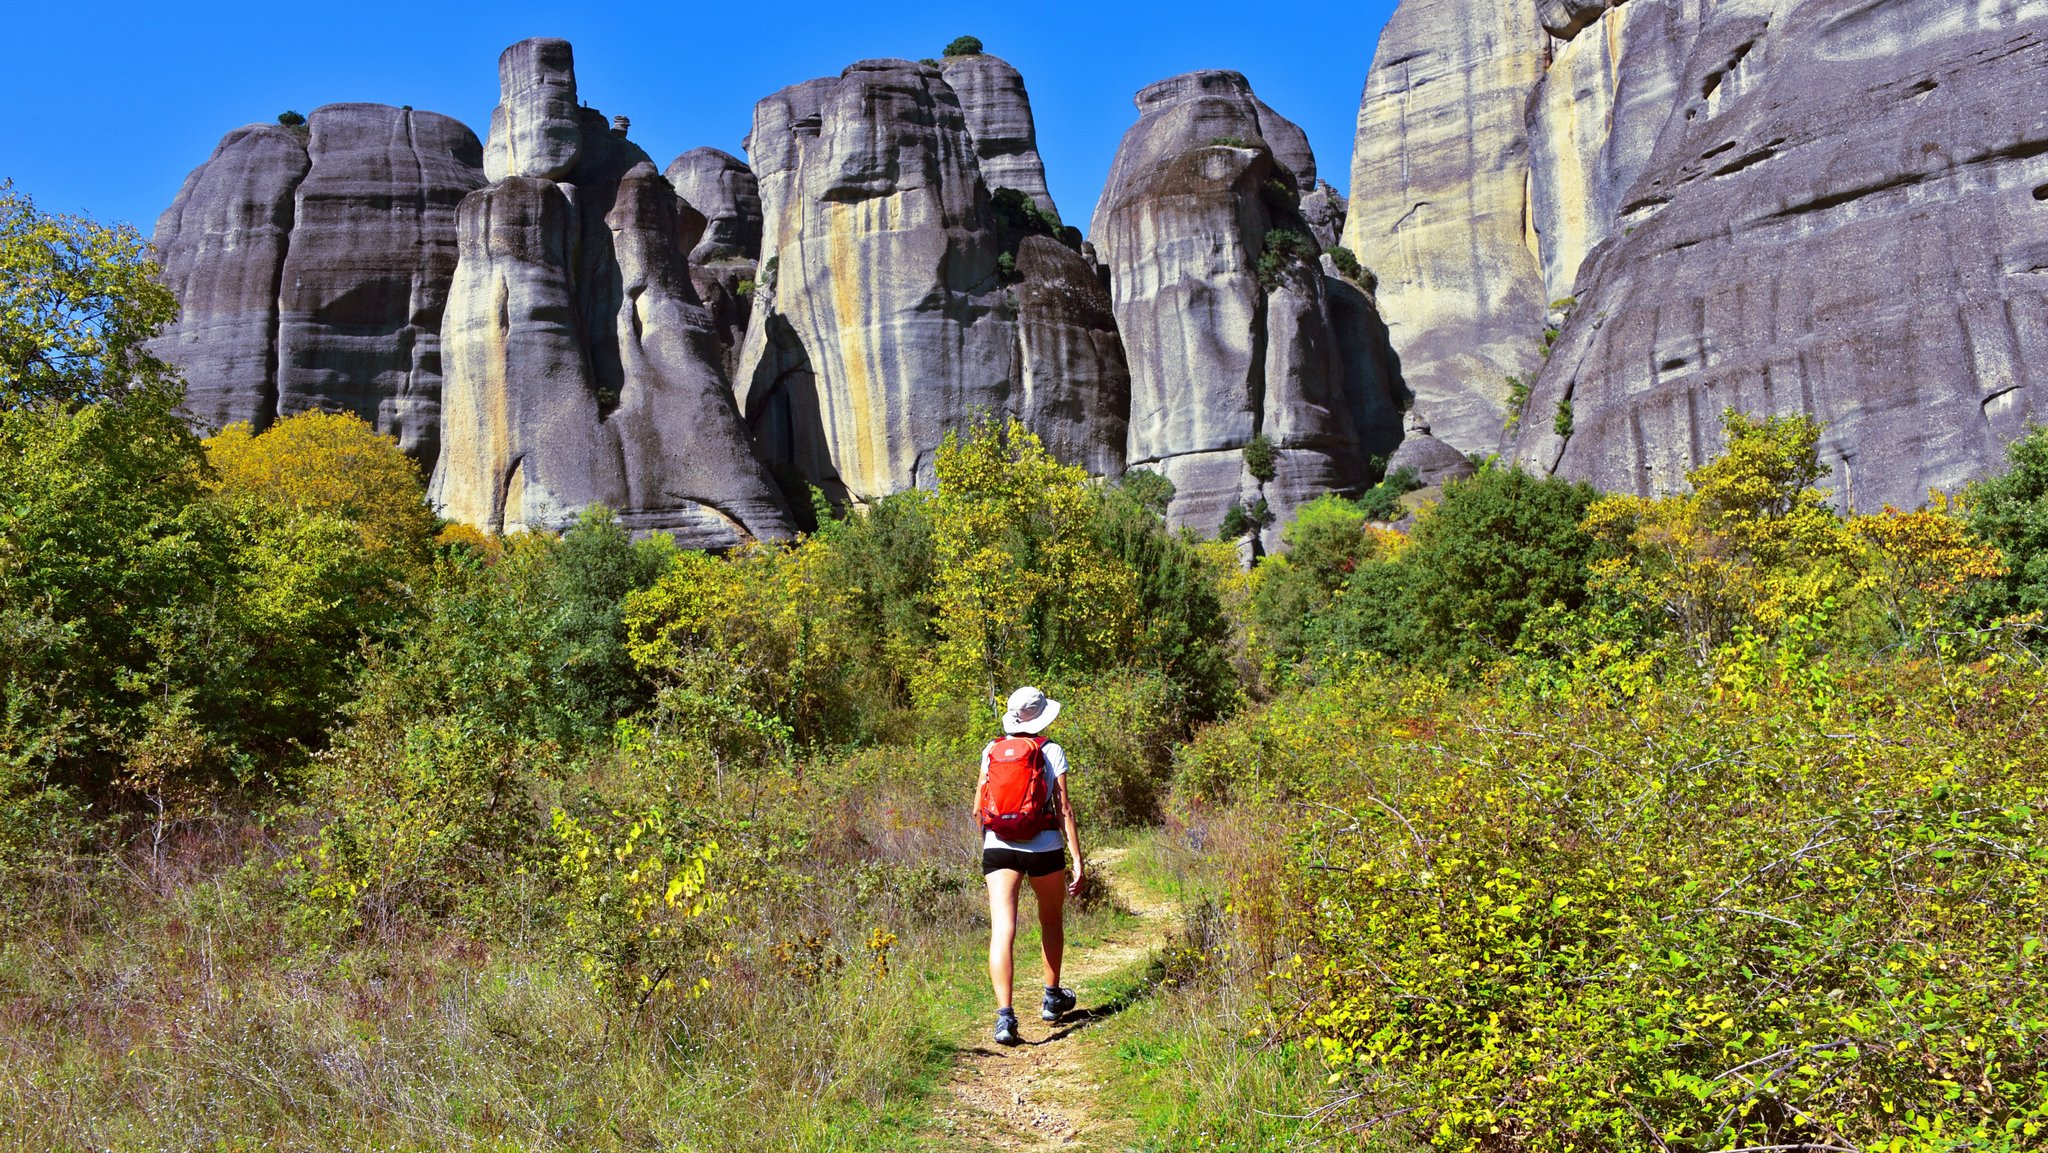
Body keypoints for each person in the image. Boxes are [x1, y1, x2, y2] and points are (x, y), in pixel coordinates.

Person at [974, 686, 1084, 1046]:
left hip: (998, 847)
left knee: (1002, 930)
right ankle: (1052, 998)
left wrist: (992, 844)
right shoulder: (1051, 750)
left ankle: (1005, 1020)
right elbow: (1064, 809)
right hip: (1044, 847)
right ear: (1041, 717)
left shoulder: (991, 750)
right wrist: (1078, 860)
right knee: (1050, 919)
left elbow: (979, 809)